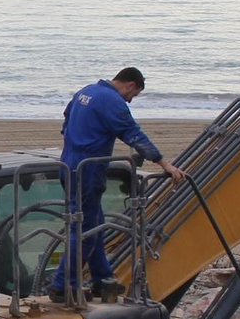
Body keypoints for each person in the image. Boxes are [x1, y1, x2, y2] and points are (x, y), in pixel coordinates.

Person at [47, 67, 186, 299]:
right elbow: (133, 134)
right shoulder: (112, 101)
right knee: (84, 227)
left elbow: (66, 122)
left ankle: (102, 278)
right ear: (130, 84)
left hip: (68, 162)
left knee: (94, 221)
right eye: (134, 95)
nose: (130, 101)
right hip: (88, 168)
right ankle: (63, 285)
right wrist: (164, 164)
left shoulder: (86, 92)